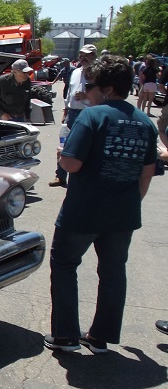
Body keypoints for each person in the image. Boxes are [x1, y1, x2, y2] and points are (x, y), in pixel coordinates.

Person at [44, 55, 158, 354]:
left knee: (64, 264)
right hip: (123, 212)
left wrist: (61, 156)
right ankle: (100, 337)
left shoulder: (92, 117)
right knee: (113, 272)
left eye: (91, 86)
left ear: (106, 89)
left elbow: (72, 164)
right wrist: (131, 202)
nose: (87, 92)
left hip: (84, 210)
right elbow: (147, 173)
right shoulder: (145, 122)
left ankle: (65, 335)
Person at [50, 44, 98, 188]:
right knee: (64, 145)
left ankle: (82, 179)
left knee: (85, 147)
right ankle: (60, 176)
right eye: (81, 55)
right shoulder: (76, 72)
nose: (83, 58)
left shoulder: (99, 74)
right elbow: (70, 93)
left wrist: (86, 97)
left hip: (89, 113)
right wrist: (65, 110)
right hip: (72, 113)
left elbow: (103, 97)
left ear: (94, 56)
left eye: (87, 55)